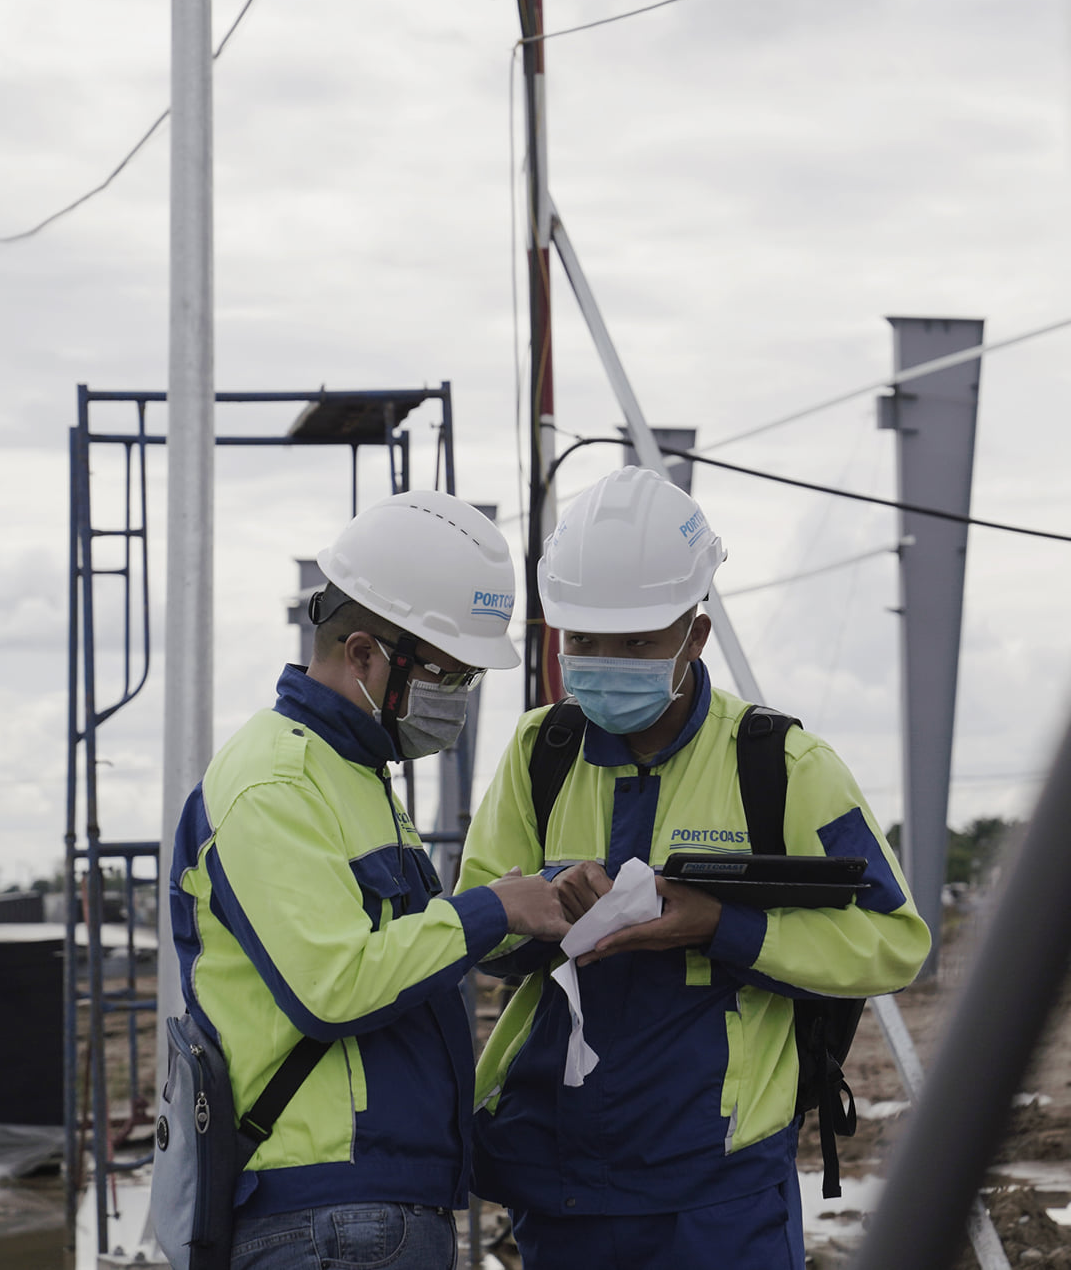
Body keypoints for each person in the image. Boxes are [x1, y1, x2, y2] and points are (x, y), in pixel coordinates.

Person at [458, 467, 931, 1270]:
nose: (604, 661)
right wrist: (539, 916)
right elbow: (479, 919)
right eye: (584, 640)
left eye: (636, 642)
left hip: (719, 1192)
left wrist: (722, 925)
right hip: (561, 1180)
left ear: (695, 635)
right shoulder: (543, 752)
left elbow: (892, 941)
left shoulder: (780, 764)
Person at [169, 491, 571, 1270]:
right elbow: (333, 982)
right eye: (447, 676)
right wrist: (491, 910)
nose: (453, 701)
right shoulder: (275, 782)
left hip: (366, 1209)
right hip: (326, 1213)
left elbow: (391, 954)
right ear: (362, 655)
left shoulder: (352, 774)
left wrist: (518, 908)